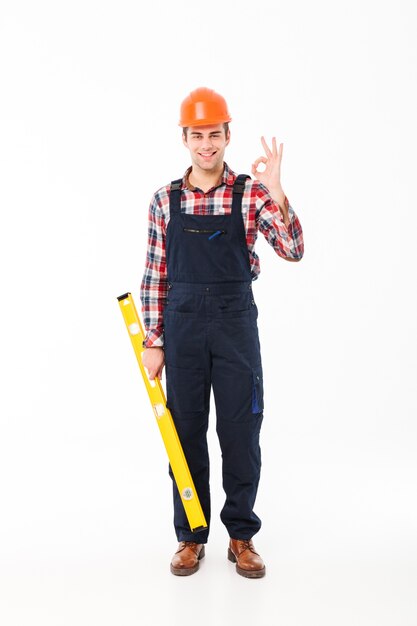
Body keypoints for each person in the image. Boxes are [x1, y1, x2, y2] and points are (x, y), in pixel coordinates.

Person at [140, 87, 304, 578]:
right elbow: (155, 273)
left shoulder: (249, 193)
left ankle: (241, 535)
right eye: (197, 135)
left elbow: (293, 250)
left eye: (215, 134)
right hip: (184, 331)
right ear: (184, 138)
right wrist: (155, 340)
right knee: (185, 435)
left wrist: (277, 190)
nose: (206, 144)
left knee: (240, 433)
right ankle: (190, 538)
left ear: (227, 135)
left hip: (235, 328)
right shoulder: (164, 200)